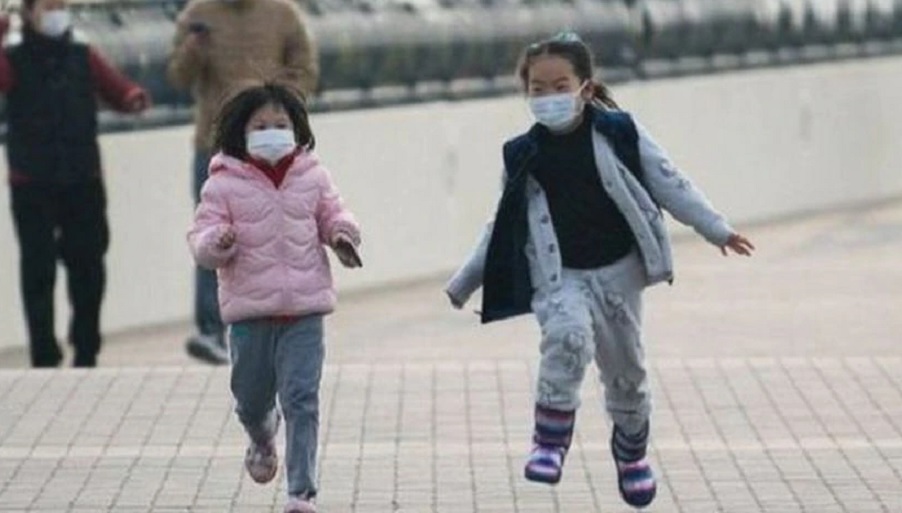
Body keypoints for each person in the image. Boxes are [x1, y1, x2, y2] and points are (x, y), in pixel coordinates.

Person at [444, 32, 754, 509]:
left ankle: (631, 455)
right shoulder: (522, 154)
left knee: (626, 373)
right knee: (567, 337)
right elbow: (501, 226)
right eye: (538, 89)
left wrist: (716, 229)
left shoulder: (619, 134)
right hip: (560, 275)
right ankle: (549, 441)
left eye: (560, 86)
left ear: (585, 88)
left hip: (619, 273)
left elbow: (670, 182)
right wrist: (465, 281)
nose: (549, 97)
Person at [188, 83, 361, 513]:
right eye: (260, 126)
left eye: (280, 125)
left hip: (304, 311)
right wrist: (217, 242)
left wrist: (342, 235)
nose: (272, 133)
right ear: (240, 133)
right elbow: (201, 240)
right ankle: (262, 435)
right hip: (250, 314)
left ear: (297, 129)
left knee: (302, 400)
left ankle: (301, 494)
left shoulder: (313, 176)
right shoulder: (222, 184)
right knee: (250, 401)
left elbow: (333, 214)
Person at [0, 0, 151, 368]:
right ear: (29, 13)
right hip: (32, 179)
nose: (57, 12)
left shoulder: (82, 53)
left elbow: (116, 88)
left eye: (60, 5)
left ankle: (86, 346)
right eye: (48, 6)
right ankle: (43, 352)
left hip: (82, 176)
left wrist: (131, 97)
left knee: (88, 266)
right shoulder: (14, 58)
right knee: (38, 269)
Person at [168, 0, 319, 364]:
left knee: (272, 234)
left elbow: (306, 71)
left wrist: (277, 110)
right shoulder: (198, 14)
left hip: (270, 147)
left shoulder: (283, 14)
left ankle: (270, 322)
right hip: (214, 146)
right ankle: (210, 329)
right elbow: (177, 77)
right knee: (212, 234)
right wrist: (193, 50)